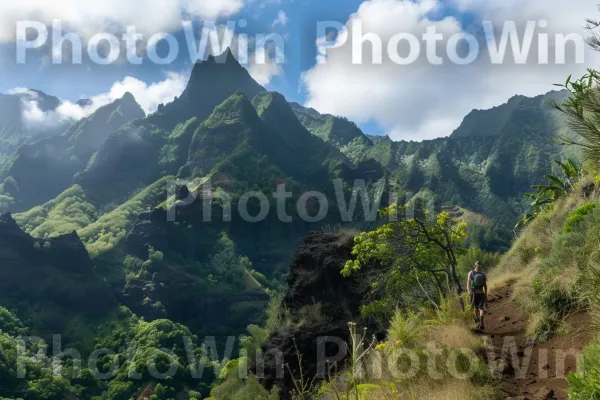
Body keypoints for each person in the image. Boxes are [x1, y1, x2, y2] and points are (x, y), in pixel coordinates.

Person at [467, 261, 487, 330]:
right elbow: (485, 285)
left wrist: (469, 291)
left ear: (475, 265)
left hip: (474, 293)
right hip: (481, 293)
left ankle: (478, 320)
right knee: (481, 308)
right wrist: (485, 293)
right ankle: (481, 322)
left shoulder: (471, 273)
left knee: (475, 308)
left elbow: (468, 283)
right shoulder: (483, 274)